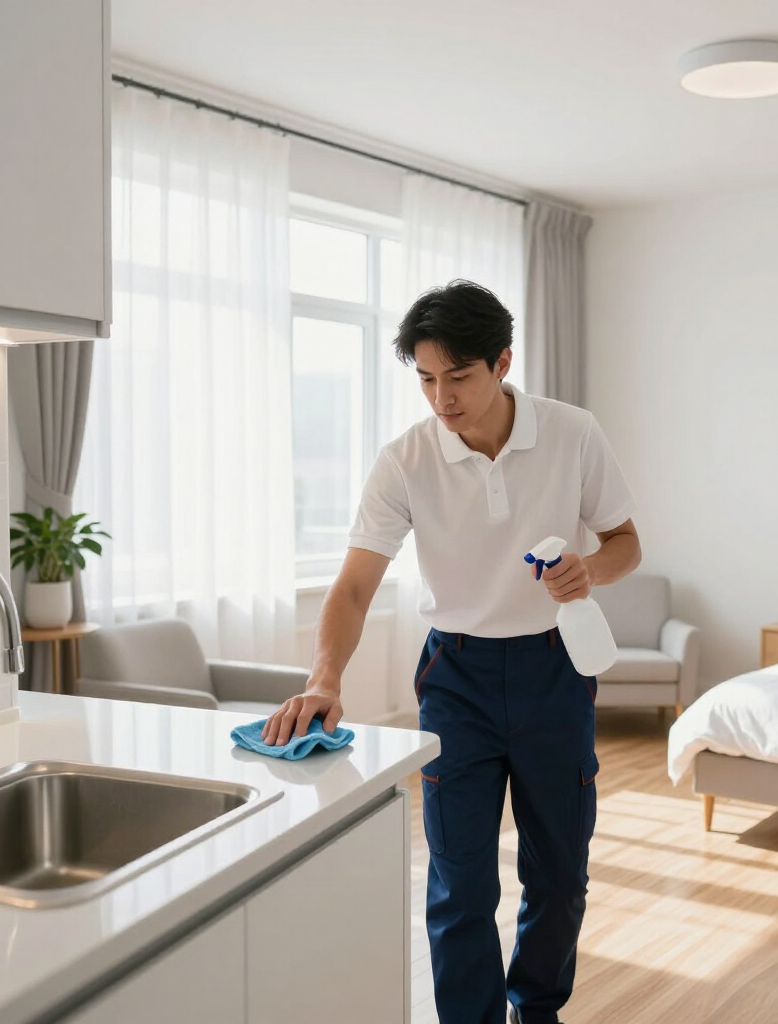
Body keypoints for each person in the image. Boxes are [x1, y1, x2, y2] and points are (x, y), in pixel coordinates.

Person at [263, 279, 640, 1024]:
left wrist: (589, 571)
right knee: (459, 879)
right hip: (456, 677)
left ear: (502, 363)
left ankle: (537, 1010)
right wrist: (325, 677)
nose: (442, 399)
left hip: (552, 672)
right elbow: (352, 589)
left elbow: (626, 541)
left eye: (458, 377)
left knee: (559, 873)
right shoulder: (405, 460)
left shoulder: (571, 433)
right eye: (427, 379)